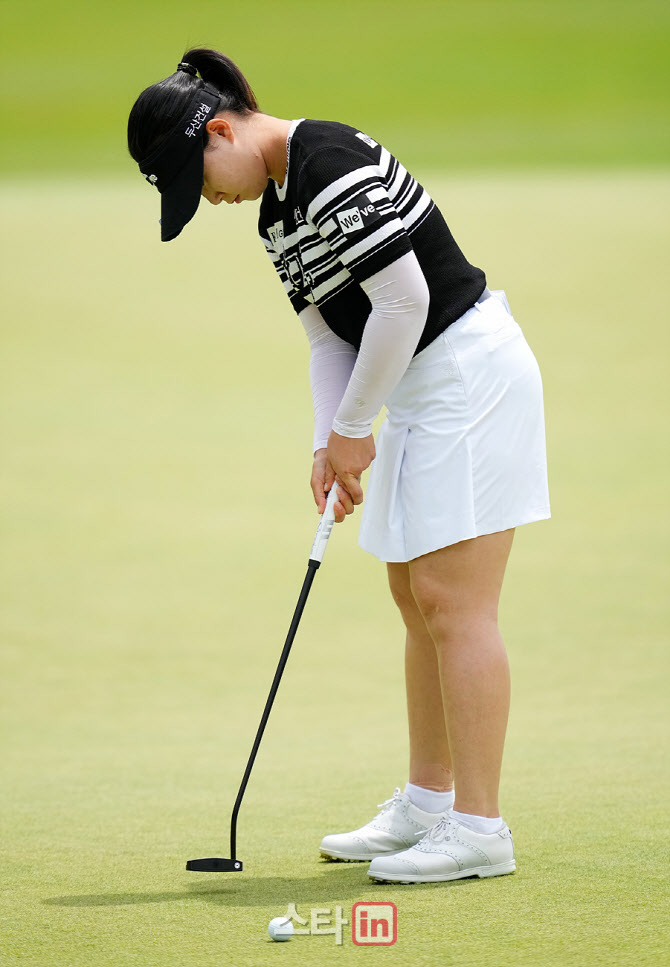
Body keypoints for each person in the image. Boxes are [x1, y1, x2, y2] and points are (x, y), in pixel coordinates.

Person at [127, 48, 550, 884]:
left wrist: (356, 427)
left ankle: (479, 827)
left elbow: (405, 300)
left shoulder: (325, 161)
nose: (208, 199)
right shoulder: (276, 212)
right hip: (419, 386)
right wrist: (329, 442)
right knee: (414, 595)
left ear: (221, 132)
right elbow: (329, 337)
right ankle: (428, 802)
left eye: (197, 178)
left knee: (454, 601)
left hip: (467, 373)